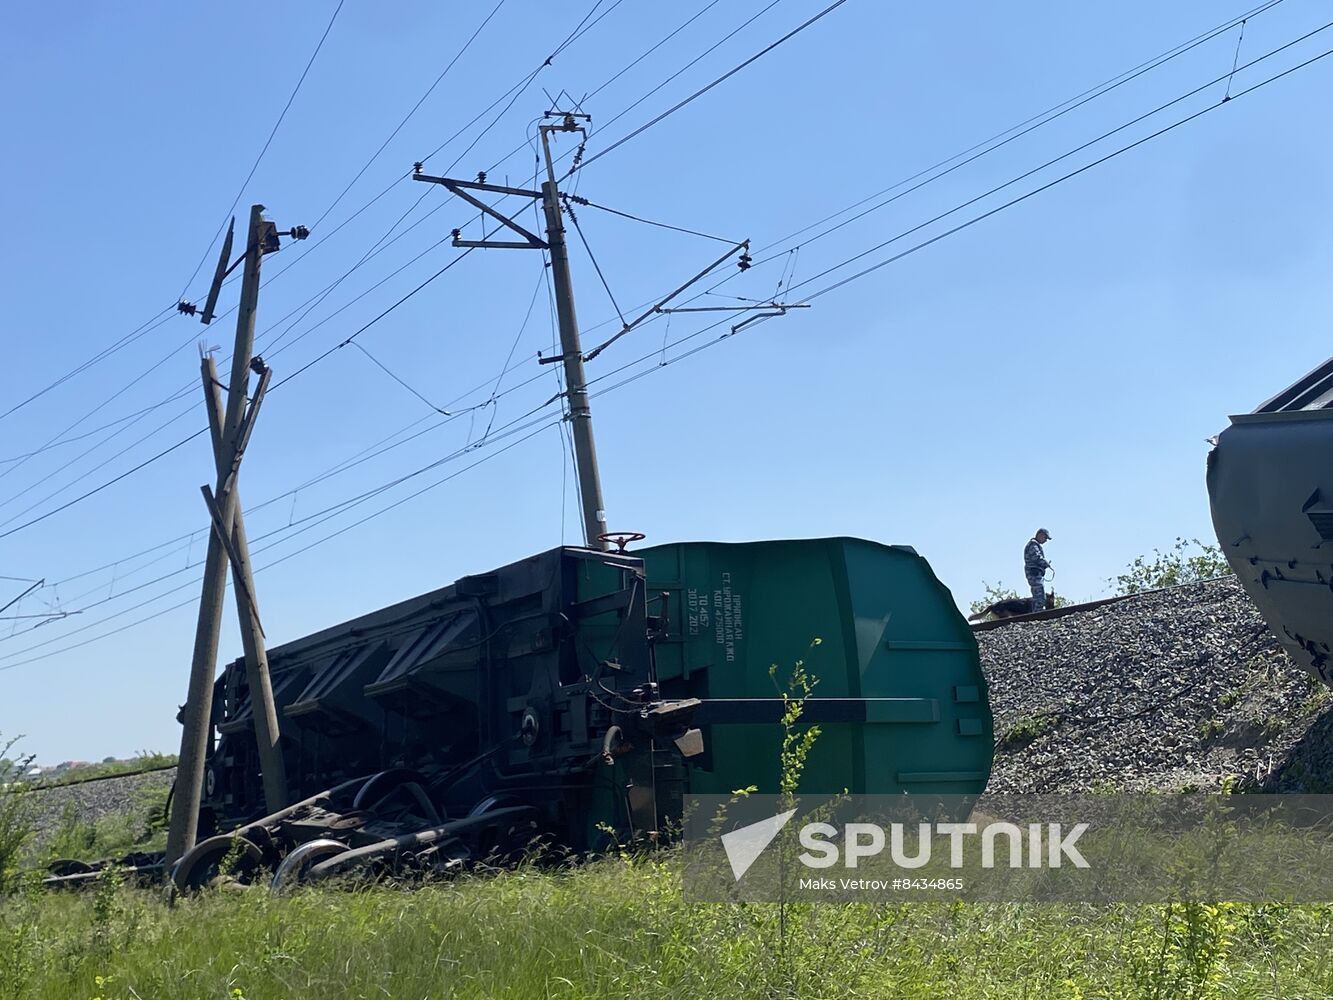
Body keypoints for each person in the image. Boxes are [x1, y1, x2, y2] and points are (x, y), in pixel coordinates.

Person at [1023, 528, 1053, 612]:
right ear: (1040, 535)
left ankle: (1036, 613)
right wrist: (1045, 563)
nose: (1045, 540)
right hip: (1034, 574)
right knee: (1039, 597)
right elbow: (1036, 557)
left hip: (1035, 573)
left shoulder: (1033, 545)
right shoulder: (1033, 545)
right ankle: (1038, 615)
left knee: (1037, 596)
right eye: (1045, 538)